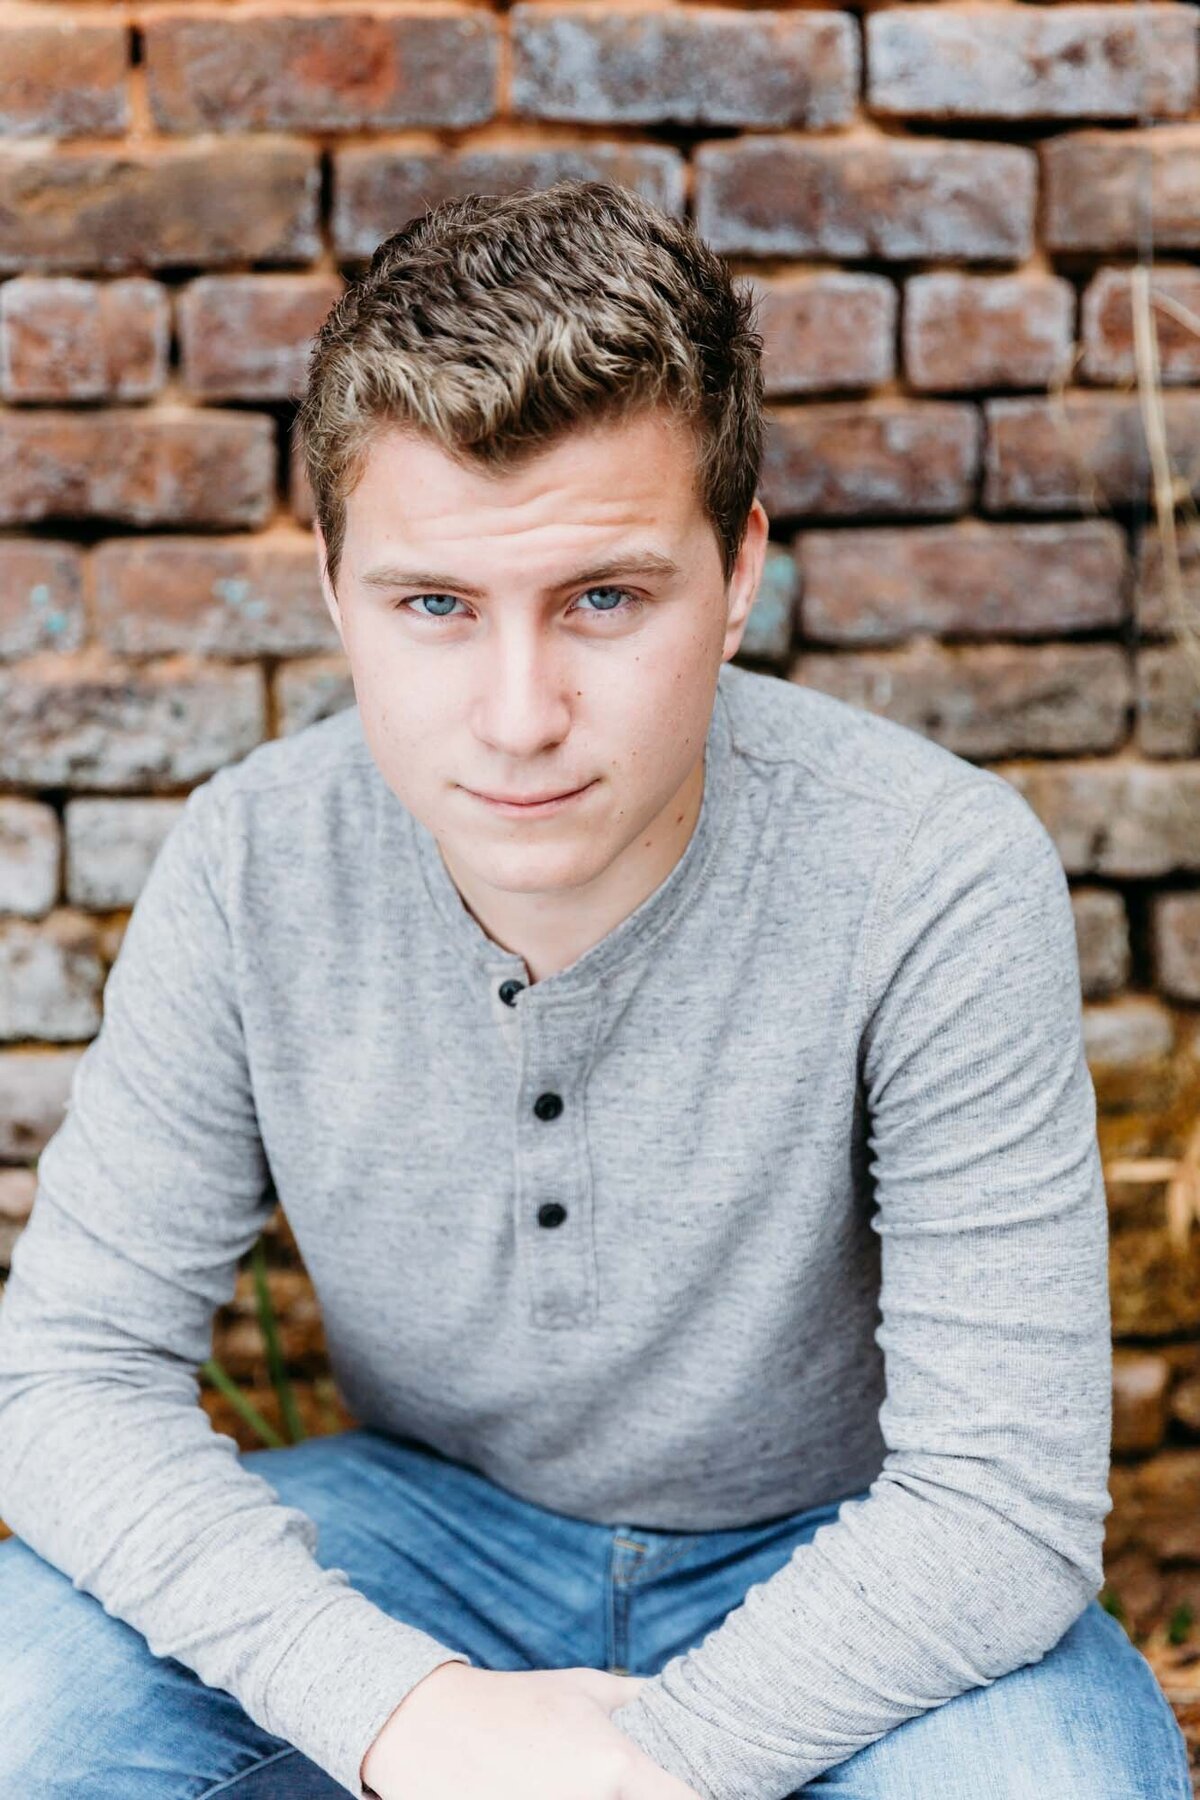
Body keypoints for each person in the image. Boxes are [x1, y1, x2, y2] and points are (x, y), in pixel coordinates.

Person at [0, 179, 1190, 1800]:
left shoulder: (933, 872)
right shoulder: (253, 864)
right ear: (332, 593)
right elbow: (67, 1372)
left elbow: (997, 1501)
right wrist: (405, 1717)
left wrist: (648, 1767)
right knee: (21, 1701)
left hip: (845, 1566)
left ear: (741, 569)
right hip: (426, 1539)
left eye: (604, 600)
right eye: (435, 607)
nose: (517, 715)